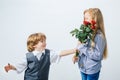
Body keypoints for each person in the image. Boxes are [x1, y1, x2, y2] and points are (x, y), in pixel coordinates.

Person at [4, 32, 77, 80]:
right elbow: (19, 66)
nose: (45, 43)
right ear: (34, 45)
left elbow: (60, 53)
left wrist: (74, 50)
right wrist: (11, 67)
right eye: (42, 41)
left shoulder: (49, 54)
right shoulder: (28, 57)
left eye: (45, 41)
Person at [73, 8, 108, 80]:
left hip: (92, 70)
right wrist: (76, 56)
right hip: (83, 68)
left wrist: (82, 47)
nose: (84, 21)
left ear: (95, 19)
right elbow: (80, 48)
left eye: (86, 18)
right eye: (84, 18)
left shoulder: (99, 36)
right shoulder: (85, 32)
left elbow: (97, 55)